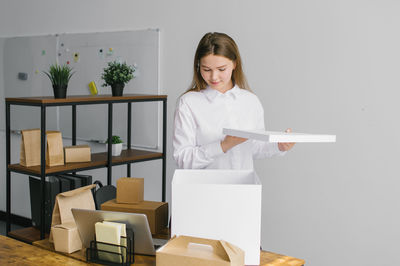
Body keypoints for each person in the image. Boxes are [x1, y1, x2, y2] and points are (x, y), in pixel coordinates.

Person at [173, 32, 294, 169]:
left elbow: (253, 148)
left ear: (234, 64)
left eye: (221, 69)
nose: (214, 77)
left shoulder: (250, 101)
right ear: (198, 66)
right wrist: (223, 145)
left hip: (244, 187)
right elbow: (182, 159)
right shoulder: (189, 103)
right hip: (205, 187)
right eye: (206, 69)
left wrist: (279, 146)